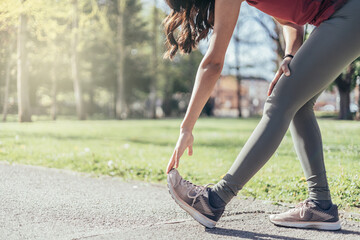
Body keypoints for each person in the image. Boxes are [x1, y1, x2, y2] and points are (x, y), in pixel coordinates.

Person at [163, 0, 359, 230]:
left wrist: (186, 128)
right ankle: (320, 205)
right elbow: (291, 22)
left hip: (348, 12)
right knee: (297, 101)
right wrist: (289, 56)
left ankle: (214, 200)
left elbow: (213, 63)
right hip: (342, 15)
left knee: (279, 102)